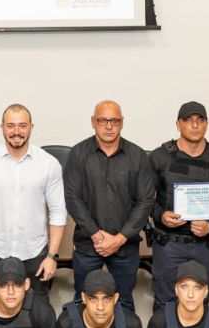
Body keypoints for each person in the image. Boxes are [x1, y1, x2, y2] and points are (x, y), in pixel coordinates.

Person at [63, 100, 156, 312]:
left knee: (124, 302)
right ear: (93, 122)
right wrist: (96, 235)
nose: (108, 126)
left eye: (114, 121)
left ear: (122, 122)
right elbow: (72, 197)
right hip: (88, 244)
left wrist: (119, 239)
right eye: (102, 120)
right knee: (83, 301)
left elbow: (145, 201)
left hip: (126, 245)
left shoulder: (137, 156)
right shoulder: (78, 154)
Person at [0, 104, 67, 291]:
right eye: (10, 126)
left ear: (31, 127)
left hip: (36, 255)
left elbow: (58, 213)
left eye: (22, 126)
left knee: (37, 307)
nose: (16, 131)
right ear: (2, 128)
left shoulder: (49, 164)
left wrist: (51, 257)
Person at [148, 101, 209, 312]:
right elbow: (145, 199)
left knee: (199, 304)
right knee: (165, 304)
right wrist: (161, 215)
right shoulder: (159, 157)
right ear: (178, 124)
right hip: (169, 244)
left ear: (206, 124)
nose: (194, 125)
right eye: (188, 120)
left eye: (200, 120)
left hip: (204, 246)